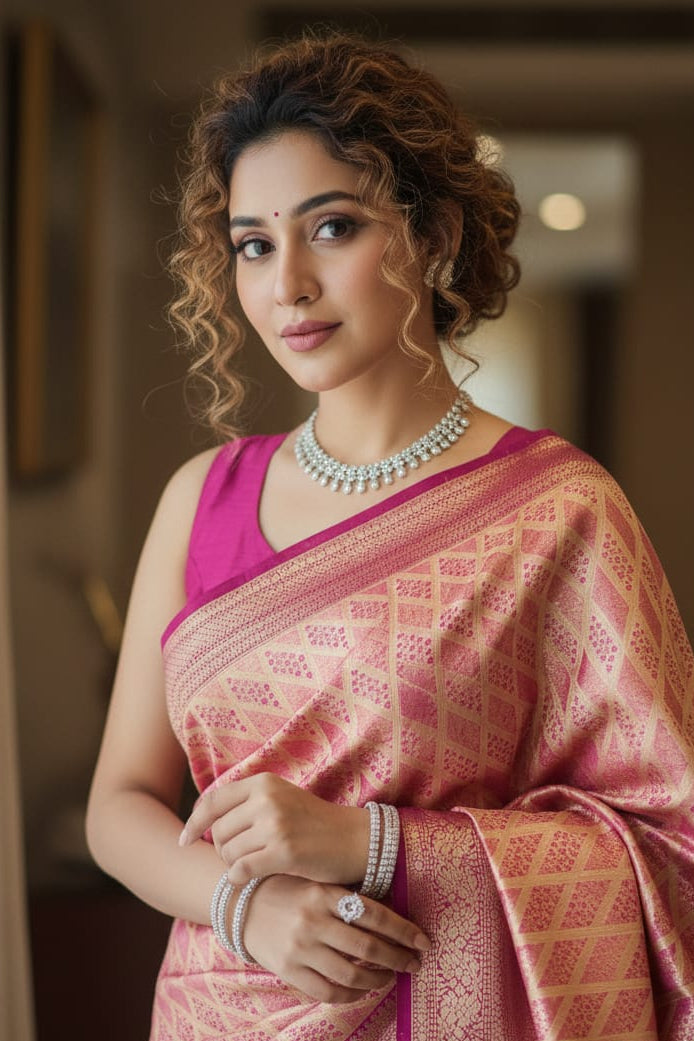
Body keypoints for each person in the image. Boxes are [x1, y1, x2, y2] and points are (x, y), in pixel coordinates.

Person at [86, 30, 694, 1041]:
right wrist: (244, 906)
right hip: (216, 1002)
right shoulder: (202, 497)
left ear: (435, 234)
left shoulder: (561, 511)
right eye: (253, 243)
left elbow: (668, 845)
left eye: (331, 228)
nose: (287, 285)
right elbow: (121, 804)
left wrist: (372, 844)